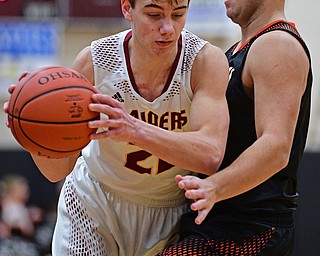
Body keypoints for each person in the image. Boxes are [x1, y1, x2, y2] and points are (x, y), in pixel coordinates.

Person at [3, 0, 230, 255]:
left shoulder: (204, 61)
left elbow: (210, 156)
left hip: (170, 210)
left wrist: (134, 129)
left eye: (178, 14)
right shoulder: (96, 61)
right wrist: (35, 136)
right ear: (126, 9)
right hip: (94, 200)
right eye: (154, 14)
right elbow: (58, 171)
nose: (168, 27)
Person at [158, 0, 313, 255]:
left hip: (249, 231)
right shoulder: (236, 51)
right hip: (214, 224)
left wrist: (214, 187)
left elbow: (276, 146)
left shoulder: (277, 44)